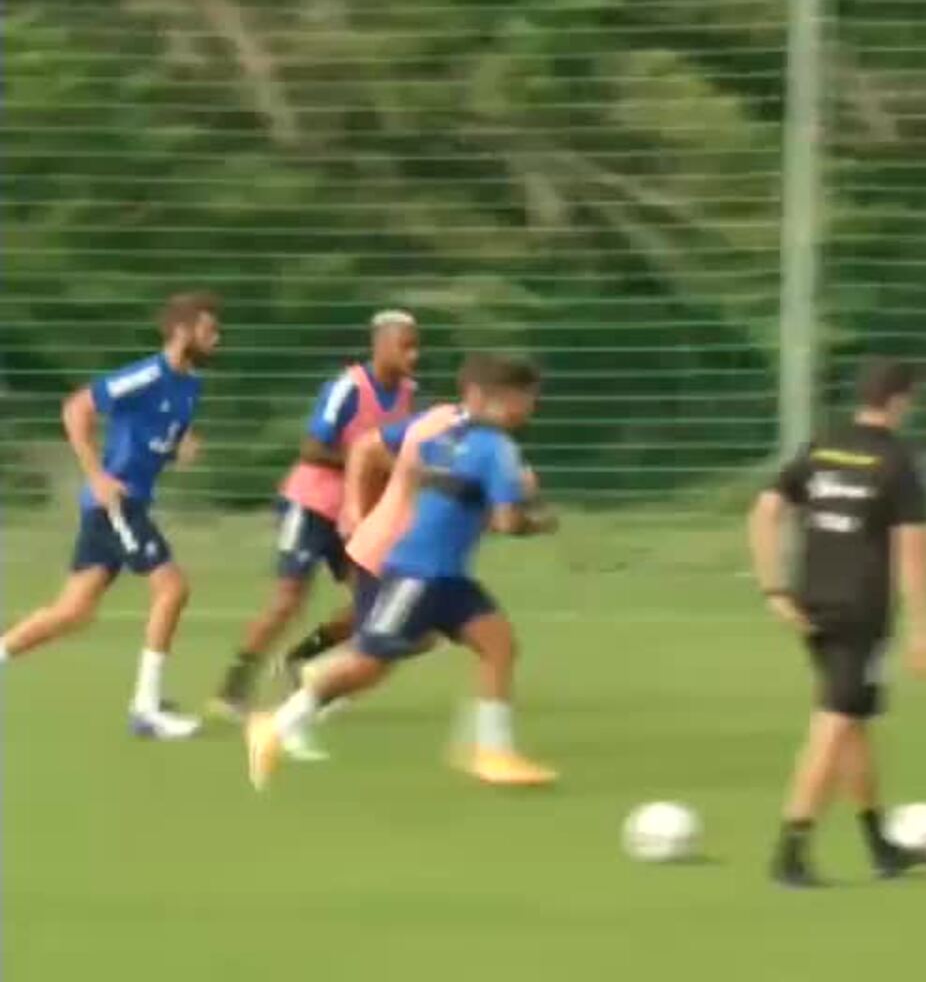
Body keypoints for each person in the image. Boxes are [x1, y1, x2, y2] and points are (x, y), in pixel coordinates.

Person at [247, 355, 558, 790]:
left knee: (499, 644)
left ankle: (493, 753)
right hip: (418, 574)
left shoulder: (446, 434)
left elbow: (441, 485)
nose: (531, 408)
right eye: (527, 398)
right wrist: (537, 519)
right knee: (369, 666)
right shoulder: (497, 448)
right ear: (504, 399)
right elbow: (506, 522)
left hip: (447, 576)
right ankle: (275, 725)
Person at [748, 360, 926, 888]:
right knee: (833, 723)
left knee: (852, 720)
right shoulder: (899, 460)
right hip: (862, 612)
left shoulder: (824, 445)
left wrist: (773, 588)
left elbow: (764, 511)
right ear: (899, 400)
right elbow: (912, 553)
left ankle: (880, 846)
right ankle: (791, 851)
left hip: (812, 603)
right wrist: (923, 627)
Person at [0, 292, 222, 739]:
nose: (217, 338)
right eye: (208, 329)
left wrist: (179, 447)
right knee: (172, 589)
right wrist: (98, 476)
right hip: (117, 503)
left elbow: (161, 434)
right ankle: (146, 709)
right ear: (182, 332)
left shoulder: (191, 385)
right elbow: (76, 409)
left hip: (123, 505)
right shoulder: (146, 375)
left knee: (72, 611)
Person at [208, 310, 419, 720]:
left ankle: (302, 659)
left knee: (374, 605)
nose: (413, 355)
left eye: (416, 347)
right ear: (380, 346)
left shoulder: (408, 395)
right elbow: (312, 448)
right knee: (288, 599)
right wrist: (364, 463)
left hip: (357, 515)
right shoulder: (348, 388)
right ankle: (232, 688)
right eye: (405, 346)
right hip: (313, 505)